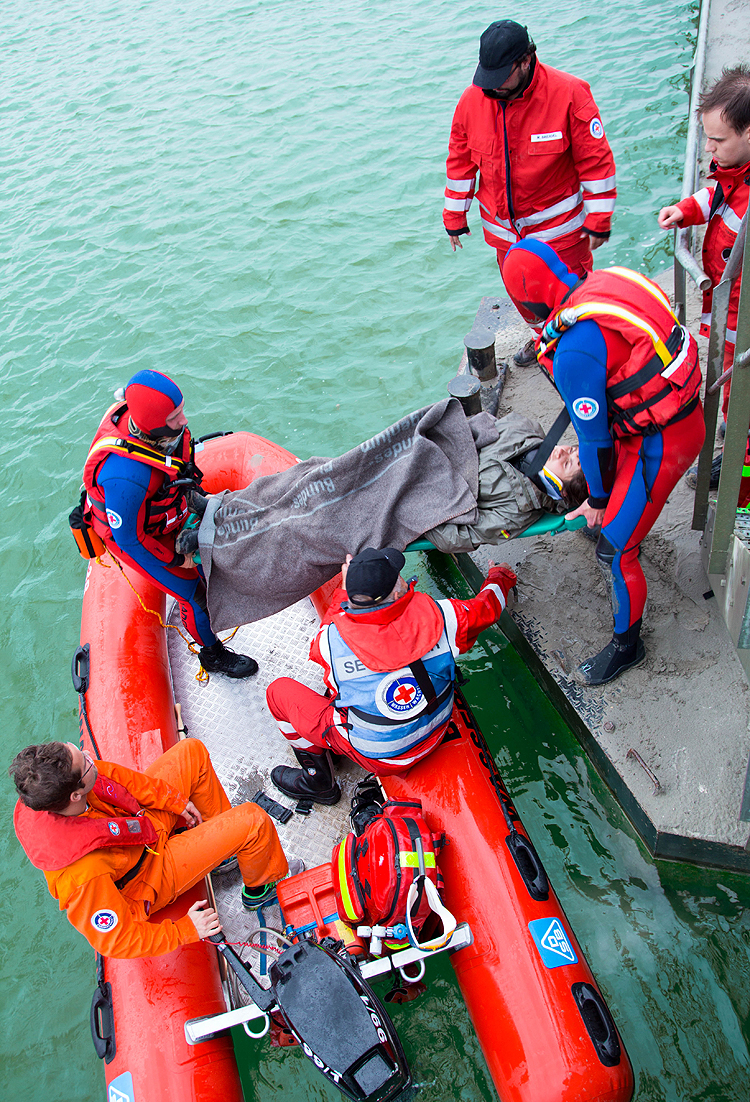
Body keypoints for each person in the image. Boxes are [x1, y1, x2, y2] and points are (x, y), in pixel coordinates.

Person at [501, 238, 705, 685]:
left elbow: (594, 443)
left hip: (662, 444)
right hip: (676, 416)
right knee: (618, 517)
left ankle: (627, 647)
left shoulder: (574, 349)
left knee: (614, 550)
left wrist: (596, 499)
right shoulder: (606, 282)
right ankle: (632, 524)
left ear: (525, 302)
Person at [265, 547, 518, 804]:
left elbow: (329, 655)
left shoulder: (328, 642)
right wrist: (501, 575)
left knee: (277, 693)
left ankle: (318, 782)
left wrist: (344, 591)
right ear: (397, 592)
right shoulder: (446, 615)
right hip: (438, 732)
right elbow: (487, 608)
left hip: (378, 757)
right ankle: (319, 779)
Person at [10, 736, 302, 958]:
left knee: (192, 751)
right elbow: (116, 940)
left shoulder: (68, 786)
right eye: (85, 763)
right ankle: (260, 891)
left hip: (141, 829)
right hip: (149, 875)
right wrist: (185, 930)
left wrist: (175, 801)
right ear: (75, 795)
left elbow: (127, 783)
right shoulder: (81, 874)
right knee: (253, 820)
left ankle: (225, 854)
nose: (89, 757)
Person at [443, 19, 616, 365]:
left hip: (562, 236)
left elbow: (596, 162)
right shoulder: (471, 101)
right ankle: (543, 340)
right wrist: (454, 215)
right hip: (505, 238)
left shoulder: (569, 93)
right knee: (522, 296)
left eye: (500, 78)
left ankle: (585, 352)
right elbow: (460, 160)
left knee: (574, 299)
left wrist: (599, 219)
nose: (491, 87)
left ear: (526, 61)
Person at [81, 369, 257, 678]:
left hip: (171, 509)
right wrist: (179, 559)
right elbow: (130, 540)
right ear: (154, 424)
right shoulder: (126, 475)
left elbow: (180, 471)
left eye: (182, 410)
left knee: (227, 533)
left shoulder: (168, 436)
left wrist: (195, 501)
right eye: (175, 416)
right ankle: (212, 655)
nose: (184, 420)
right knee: (194, 595)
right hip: (141, 537)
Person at [658, 65, 750, 488]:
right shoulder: (735, 172)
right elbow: (717, 193)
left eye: (717, 140)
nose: (708, 148)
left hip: (741, 327)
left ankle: (740, 482)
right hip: (726, 316)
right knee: (732, 398)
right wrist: (686, 210)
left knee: (741, 397)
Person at [424, 412, 588, 551]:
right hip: (429, 449)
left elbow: (456, 538)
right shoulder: (526, 429)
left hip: (428, 495)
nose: (561, 451)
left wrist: (419, 515)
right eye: (572, 449)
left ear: (563, 491)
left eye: (567, 464)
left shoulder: (515, 512)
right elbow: (474, 426)